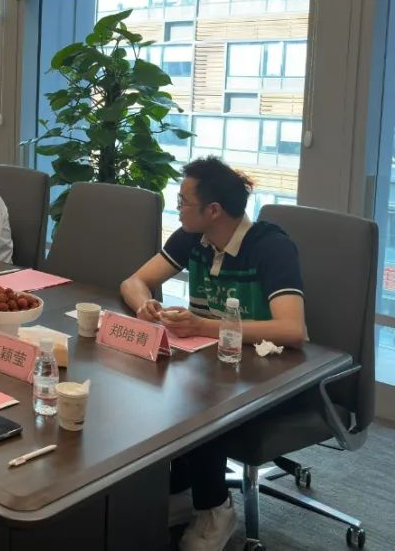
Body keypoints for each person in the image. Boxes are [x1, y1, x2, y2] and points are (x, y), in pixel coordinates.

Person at [119, 156, 305, 551]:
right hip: (214, 366)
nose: (178, 208)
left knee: (197, 402)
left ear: (214, 210)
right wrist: (143, 305)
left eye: (183, 201)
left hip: (269, 377)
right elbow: (134, 281)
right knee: (150, 382)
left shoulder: (270, 247)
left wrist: (204, 326)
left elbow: (293, 330)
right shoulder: (193, 238)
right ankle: (180, 491)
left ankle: (215, 508)